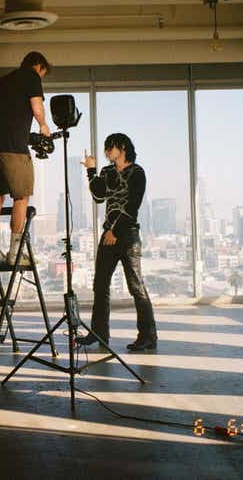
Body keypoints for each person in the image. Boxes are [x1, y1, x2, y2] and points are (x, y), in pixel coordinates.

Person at [76, 133, 158, 351]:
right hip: (108, 235)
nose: (106, 152)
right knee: (100, 285)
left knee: (135, 286)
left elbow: (132, 206)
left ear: (122, 147)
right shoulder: (107, 171)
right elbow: (99, 197)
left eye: (109, 147)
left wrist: (115, 231)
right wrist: (91, 170)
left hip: (127, 235)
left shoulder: (137, 172)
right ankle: (99, 334)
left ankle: (148, 336)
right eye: (105, 148)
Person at [0, 51, 52, 266]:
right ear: (38, 66)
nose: (41, 79)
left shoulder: (3, 81)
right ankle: (15, 253)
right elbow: (36, 106)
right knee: (21, 198)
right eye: (42, 74)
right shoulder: (31, 76)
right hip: (13, 147)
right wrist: (43, 125)